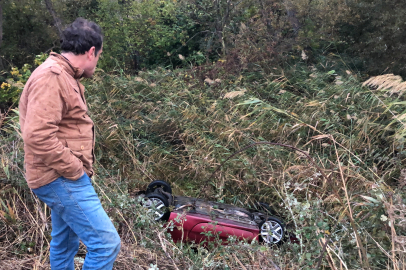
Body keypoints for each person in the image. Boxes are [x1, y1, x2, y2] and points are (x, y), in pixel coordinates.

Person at [19, 18, 121, 269]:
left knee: (65, 243)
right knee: (106, 244)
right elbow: (38, 136)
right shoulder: (52, 76)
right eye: (99, 56)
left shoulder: (63, 74)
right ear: (90, 52)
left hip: (60, 175)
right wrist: (75, 170)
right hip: (60, 177)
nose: (97, 62)